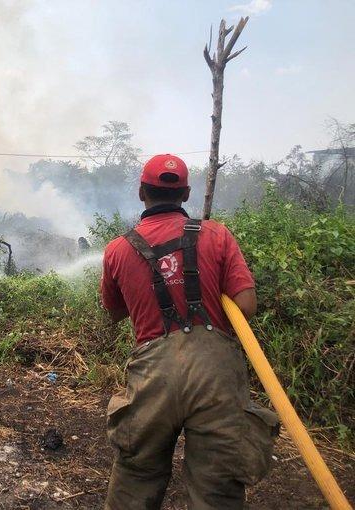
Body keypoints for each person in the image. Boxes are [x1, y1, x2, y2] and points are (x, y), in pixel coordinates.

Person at [100, 154, 278, 510]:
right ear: (185, 194)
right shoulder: (217, 235)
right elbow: (245, 306)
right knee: (217, 490)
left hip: (153, 378)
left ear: (140, 193)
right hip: (216, 379)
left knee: (136, 478)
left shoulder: (118, 249)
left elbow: (114, 312)